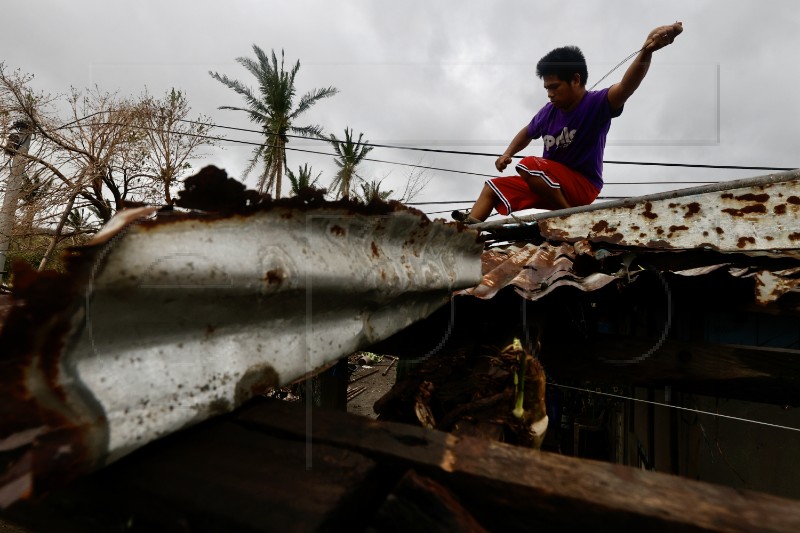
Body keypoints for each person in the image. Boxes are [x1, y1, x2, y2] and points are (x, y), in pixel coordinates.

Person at [453, 22, 684, 224]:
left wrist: (646, 52)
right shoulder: (548, 112)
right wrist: (507, 153)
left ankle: (569, 216)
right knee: (492, 188)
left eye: (554, 87)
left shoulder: (596, 103)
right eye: (547, 89)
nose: (550, 95)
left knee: (530, 164)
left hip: (582, 186)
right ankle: (467, 237)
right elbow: (527, 132)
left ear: (575, 80)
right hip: (547, 185)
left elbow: (626, 86)